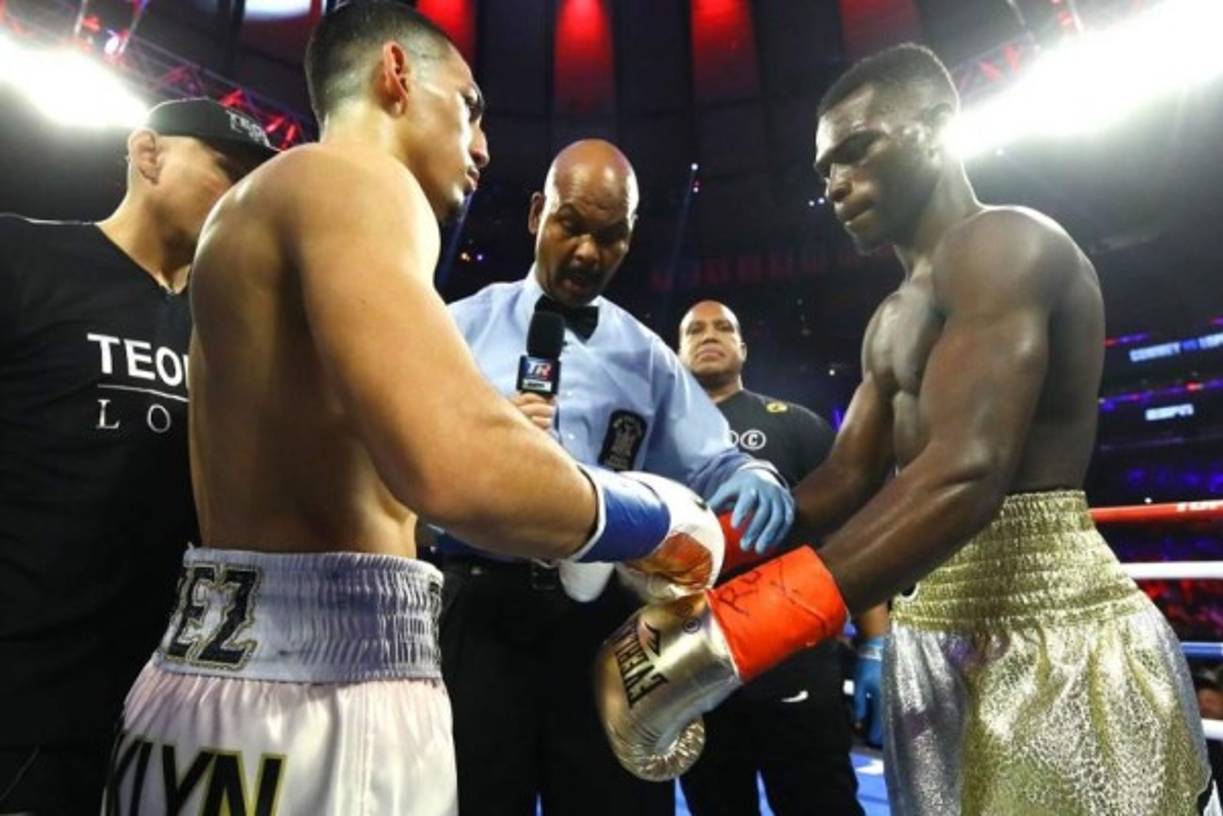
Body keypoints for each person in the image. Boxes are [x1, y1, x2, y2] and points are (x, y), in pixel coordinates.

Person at [102, 6, 726, 815]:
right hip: (323, 695)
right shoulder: (355, 179)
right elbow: (457, 469)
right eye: (470, 107)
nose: (483, 146)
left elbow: (368, 475)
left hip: (210, 680)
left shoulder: (263, 209)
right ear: (396, 75)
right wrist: (658, 517)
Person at [593, 43, 1219, 816]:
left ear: (937, 126)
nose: (836, 182)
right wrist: (707, 552)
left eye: (858, 150)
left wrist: (745, 625)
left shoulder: (1007, 244)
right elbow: (845, 480)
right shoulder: (890, 318)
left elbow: (966, 472)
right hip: (932, 634)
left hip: (1048, 627)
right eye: (825, 168)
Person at [439, 140, 794, 816]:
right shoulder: (458, 329)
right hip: (481, 609)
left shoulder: (648, 355)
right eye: (571, 225)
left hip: (601, 616)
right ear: (537, 213)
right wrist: (480, 444)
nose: (586, 253)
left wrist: (754, 470)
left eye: (609, 237)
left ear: (629, 240)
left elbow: (713, 458)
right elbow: (401, 465)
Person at [0, 97, 274, 814]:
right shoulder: (21, 255)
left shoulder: (228, 332)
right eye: (226, 172)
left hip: (154, 711)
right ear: (148, 155)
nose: (241, 199)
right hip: (20, 694)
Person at [676, 299, 878, 816]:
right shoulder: (657, 439)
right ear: (677, 354)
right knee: (716, 805)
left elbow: (849, 532)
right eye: (694, 330)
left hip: (794, 654)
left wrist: (876, 640)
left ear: (743, 348)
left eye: (723, 327)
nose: (709, 335)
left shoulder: (796, 425)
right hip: (692, 661)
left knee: (820, 803)